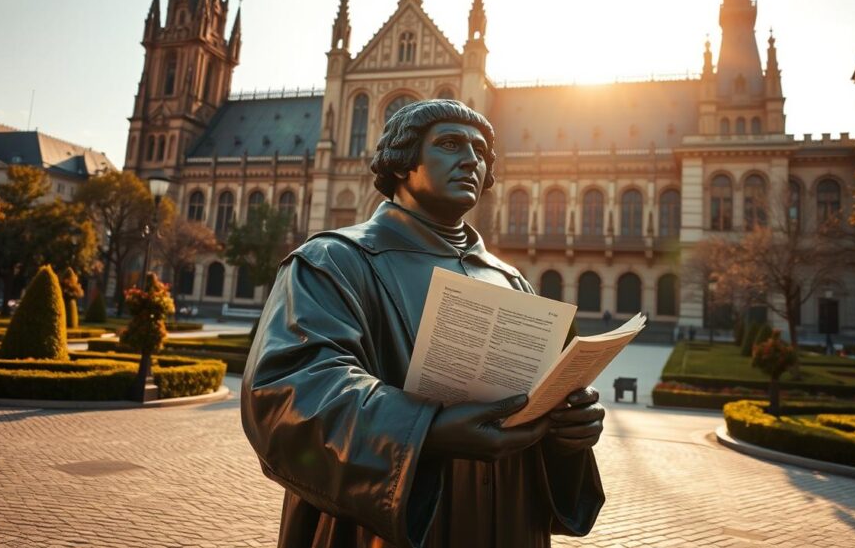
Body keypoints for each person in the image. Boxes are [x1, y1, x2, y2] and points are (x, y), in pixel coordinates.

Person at [241, 99, 605, 548]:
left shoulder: (511, 280)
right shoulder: (332, 261)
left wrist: (567, 431)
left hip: (509, 524)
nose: (471, 159)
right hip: (384, 531)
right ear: (401, 161)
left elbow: (532, 404)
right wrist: (424, 433)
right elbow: (288, 390)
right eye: (450, 144)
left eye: (480, 151)